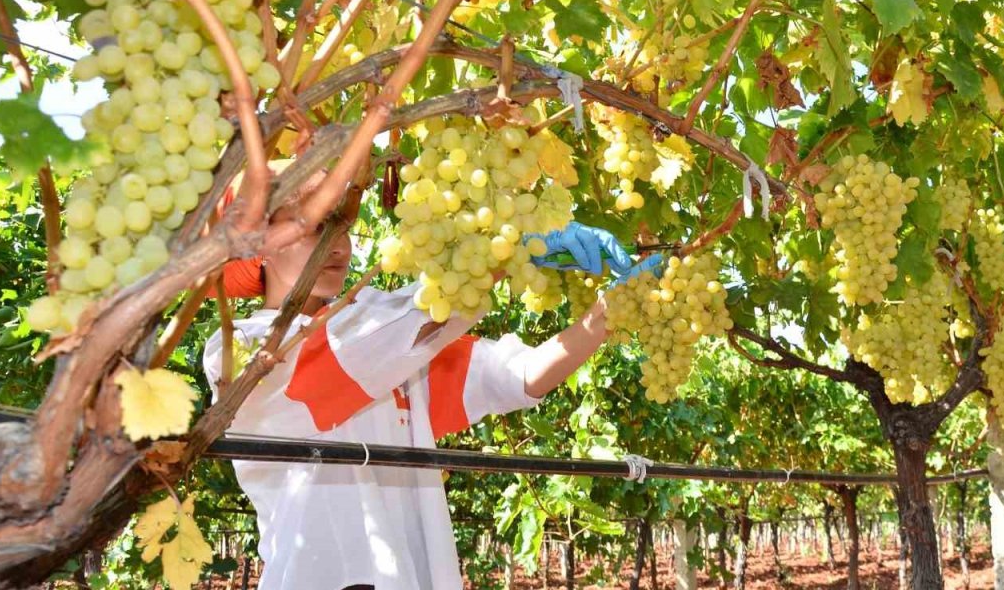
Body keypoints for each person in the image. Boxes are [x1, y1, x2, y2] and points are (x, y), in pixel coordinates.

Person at [201, 173, 660, 590]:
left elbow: (516, 376)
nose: (339, 246)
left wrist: (603, 316)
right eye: (316, 226)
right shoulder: (239, 350)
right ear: (258, 241)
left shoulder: (388, 339)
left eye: (342, 227)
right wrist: (507, 252)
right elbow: (363, 349)